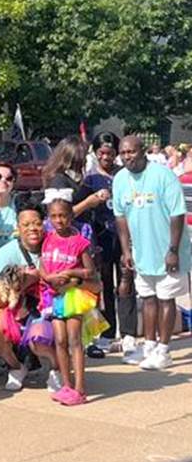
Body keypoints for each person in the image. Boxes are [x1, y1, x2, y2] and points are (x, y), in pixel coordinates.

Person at [114, 135, 192, 371]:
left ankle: (164, 350)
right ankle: (148, 346)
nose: (127, 156)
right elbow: (121, 218)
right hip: (142, 253)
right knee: (148, 298)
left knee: (166, 299)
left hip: (169, 251)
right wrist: (126, 250)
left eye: (132, 152)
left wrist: (173, 250)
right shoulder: (119, 180)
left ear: (143, 151)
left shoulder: (163, 175)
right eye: (123, 153)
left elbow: (177, 213)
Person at [0, 207, 57, 392]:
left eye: (37, 223)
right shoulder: (6, 252)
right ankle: (15, 367)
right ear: (18, 227)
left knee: (37, 339)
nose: (33, 228)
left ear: (44, 224)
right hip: (17, 306)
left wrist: (41, 276)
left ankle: (57, 368)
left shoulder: (54, 246)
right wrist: (20, 283)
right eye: (26, 224)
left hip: (51, 306)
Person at [40, 198, 98, 405]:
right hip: (53, 295)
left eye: (63, 215)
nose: (59, 220)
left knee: (75, 340)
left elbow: (90, 271)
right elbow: (42, 264)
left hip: (72, 295)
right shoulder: (47, 239)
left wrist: (70, 272)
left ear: (71, 216)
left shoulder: (79, 242)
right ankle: (66, 384)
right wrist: (47, 277)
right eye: (54, 216)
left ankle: (80, 387)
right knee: (60, 341)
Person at [84, 132, 130, 354]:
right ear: (95, 153)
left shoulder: (124, 175)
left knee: (126, 282)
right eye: (102, 152)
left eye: (111, 153)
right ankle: (107, 332)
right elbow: (79, 208)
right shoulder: (90, 179)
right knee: (104, 285)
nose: (106, 157)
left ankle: (129, 333)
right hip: (100, 237)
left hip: (124, 237)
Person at [43, 136, 106, 229]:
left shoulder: (74, 178)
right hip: (70, 233)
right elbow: (60, 215)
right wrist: (87, 203)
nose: (85, 161)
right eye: (82, 157)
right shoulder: (58, 181)